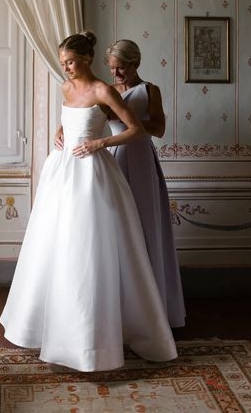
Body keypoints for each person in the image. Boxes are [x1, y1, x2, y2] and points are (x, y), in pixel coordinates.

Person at [0, 32, 177, 372]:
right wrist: (59, 130)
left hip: (93, 173)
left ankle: (100, 331)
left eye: (69, 61)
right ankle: (51, 326)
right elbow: (73, 117)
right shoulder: (66, 89)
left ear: (85, 59)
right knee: (57, 243)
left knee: (91, 246)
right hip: (62, 173)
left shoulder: (103, 90)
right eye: (62, 62)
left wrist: (99, 144)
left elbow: (137, 130)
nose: (65, 68)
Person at [106, 39, 186, 329]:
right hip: (113, 158)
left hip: (140, 161)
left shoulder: (150, 91)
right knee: (114, 226)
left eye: (122, 68)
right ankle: (117, 306)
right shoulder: (107, 91)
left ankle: (152, 309)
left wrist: (131, 125)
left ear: (135, 64)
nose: (116, 74)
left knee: (145, 224)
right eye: (112, 68)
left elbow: (160, 129)